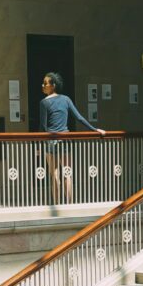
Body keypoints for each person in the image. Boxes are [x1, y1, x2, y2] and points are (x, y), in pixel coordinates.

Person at [39, 71, 105, 204]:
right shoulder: (66, 99)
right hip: (65, 139)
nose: (43, 85)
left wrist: (40, 143)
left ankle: (56, 204)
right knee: (67, 173)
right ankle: (69, 204)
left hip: (51, 141)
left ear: (53, 85)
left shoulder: (44, 103)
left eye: (45, 83)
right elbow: (79, 117)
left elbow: (43, 126)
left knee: (55, 174)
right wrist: (94, 129)